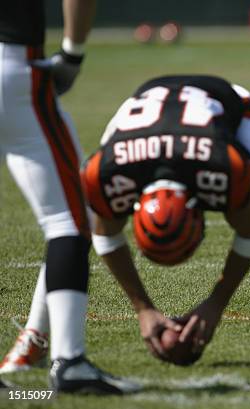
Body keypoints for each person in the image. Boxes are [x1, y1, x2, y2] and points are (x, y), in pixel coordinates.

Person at [78, 75, 250, 371]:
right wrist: (143, 309)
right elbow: (105, 237)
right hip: (141, 112)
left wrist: (216, 304)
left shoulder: (223, 166)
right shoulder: (106, 173)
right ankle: (37, 337)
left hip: (226, 106)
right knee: (73, 229)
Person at [0, 0, 140, 394]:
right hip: (11, 65)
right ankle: (70, 362)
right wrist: (73, 52)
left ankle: (36, 342)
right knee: (71, 220)